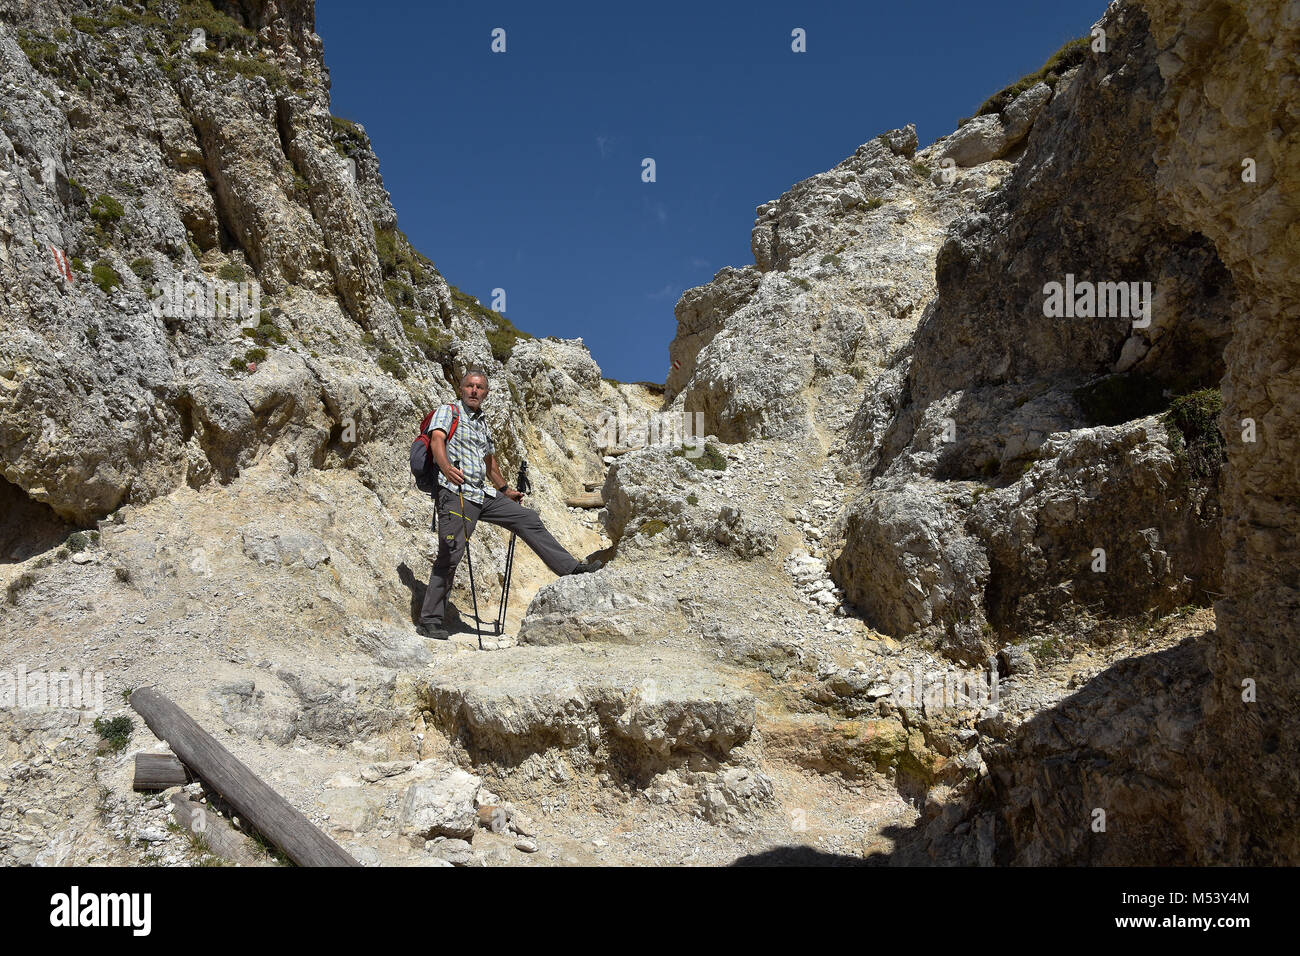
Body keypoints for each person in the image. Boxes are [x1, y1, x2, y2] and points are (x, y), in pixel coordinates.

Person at [417, 369, 602, 639]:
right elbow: (437, 440)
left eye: (479, 387)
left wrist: (504, 489)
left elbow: (488, 461)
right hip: (456, 492)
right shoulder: (448, 411)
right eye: (469, 386)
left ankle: (571, 568)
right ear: (461, 388)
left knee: (527, 519)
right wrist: (445, 467)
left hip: (482, 494)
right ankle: (430, 620)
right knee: (451, 552)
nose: (474, 391)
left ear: (486, 393)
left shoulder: (482, 423)